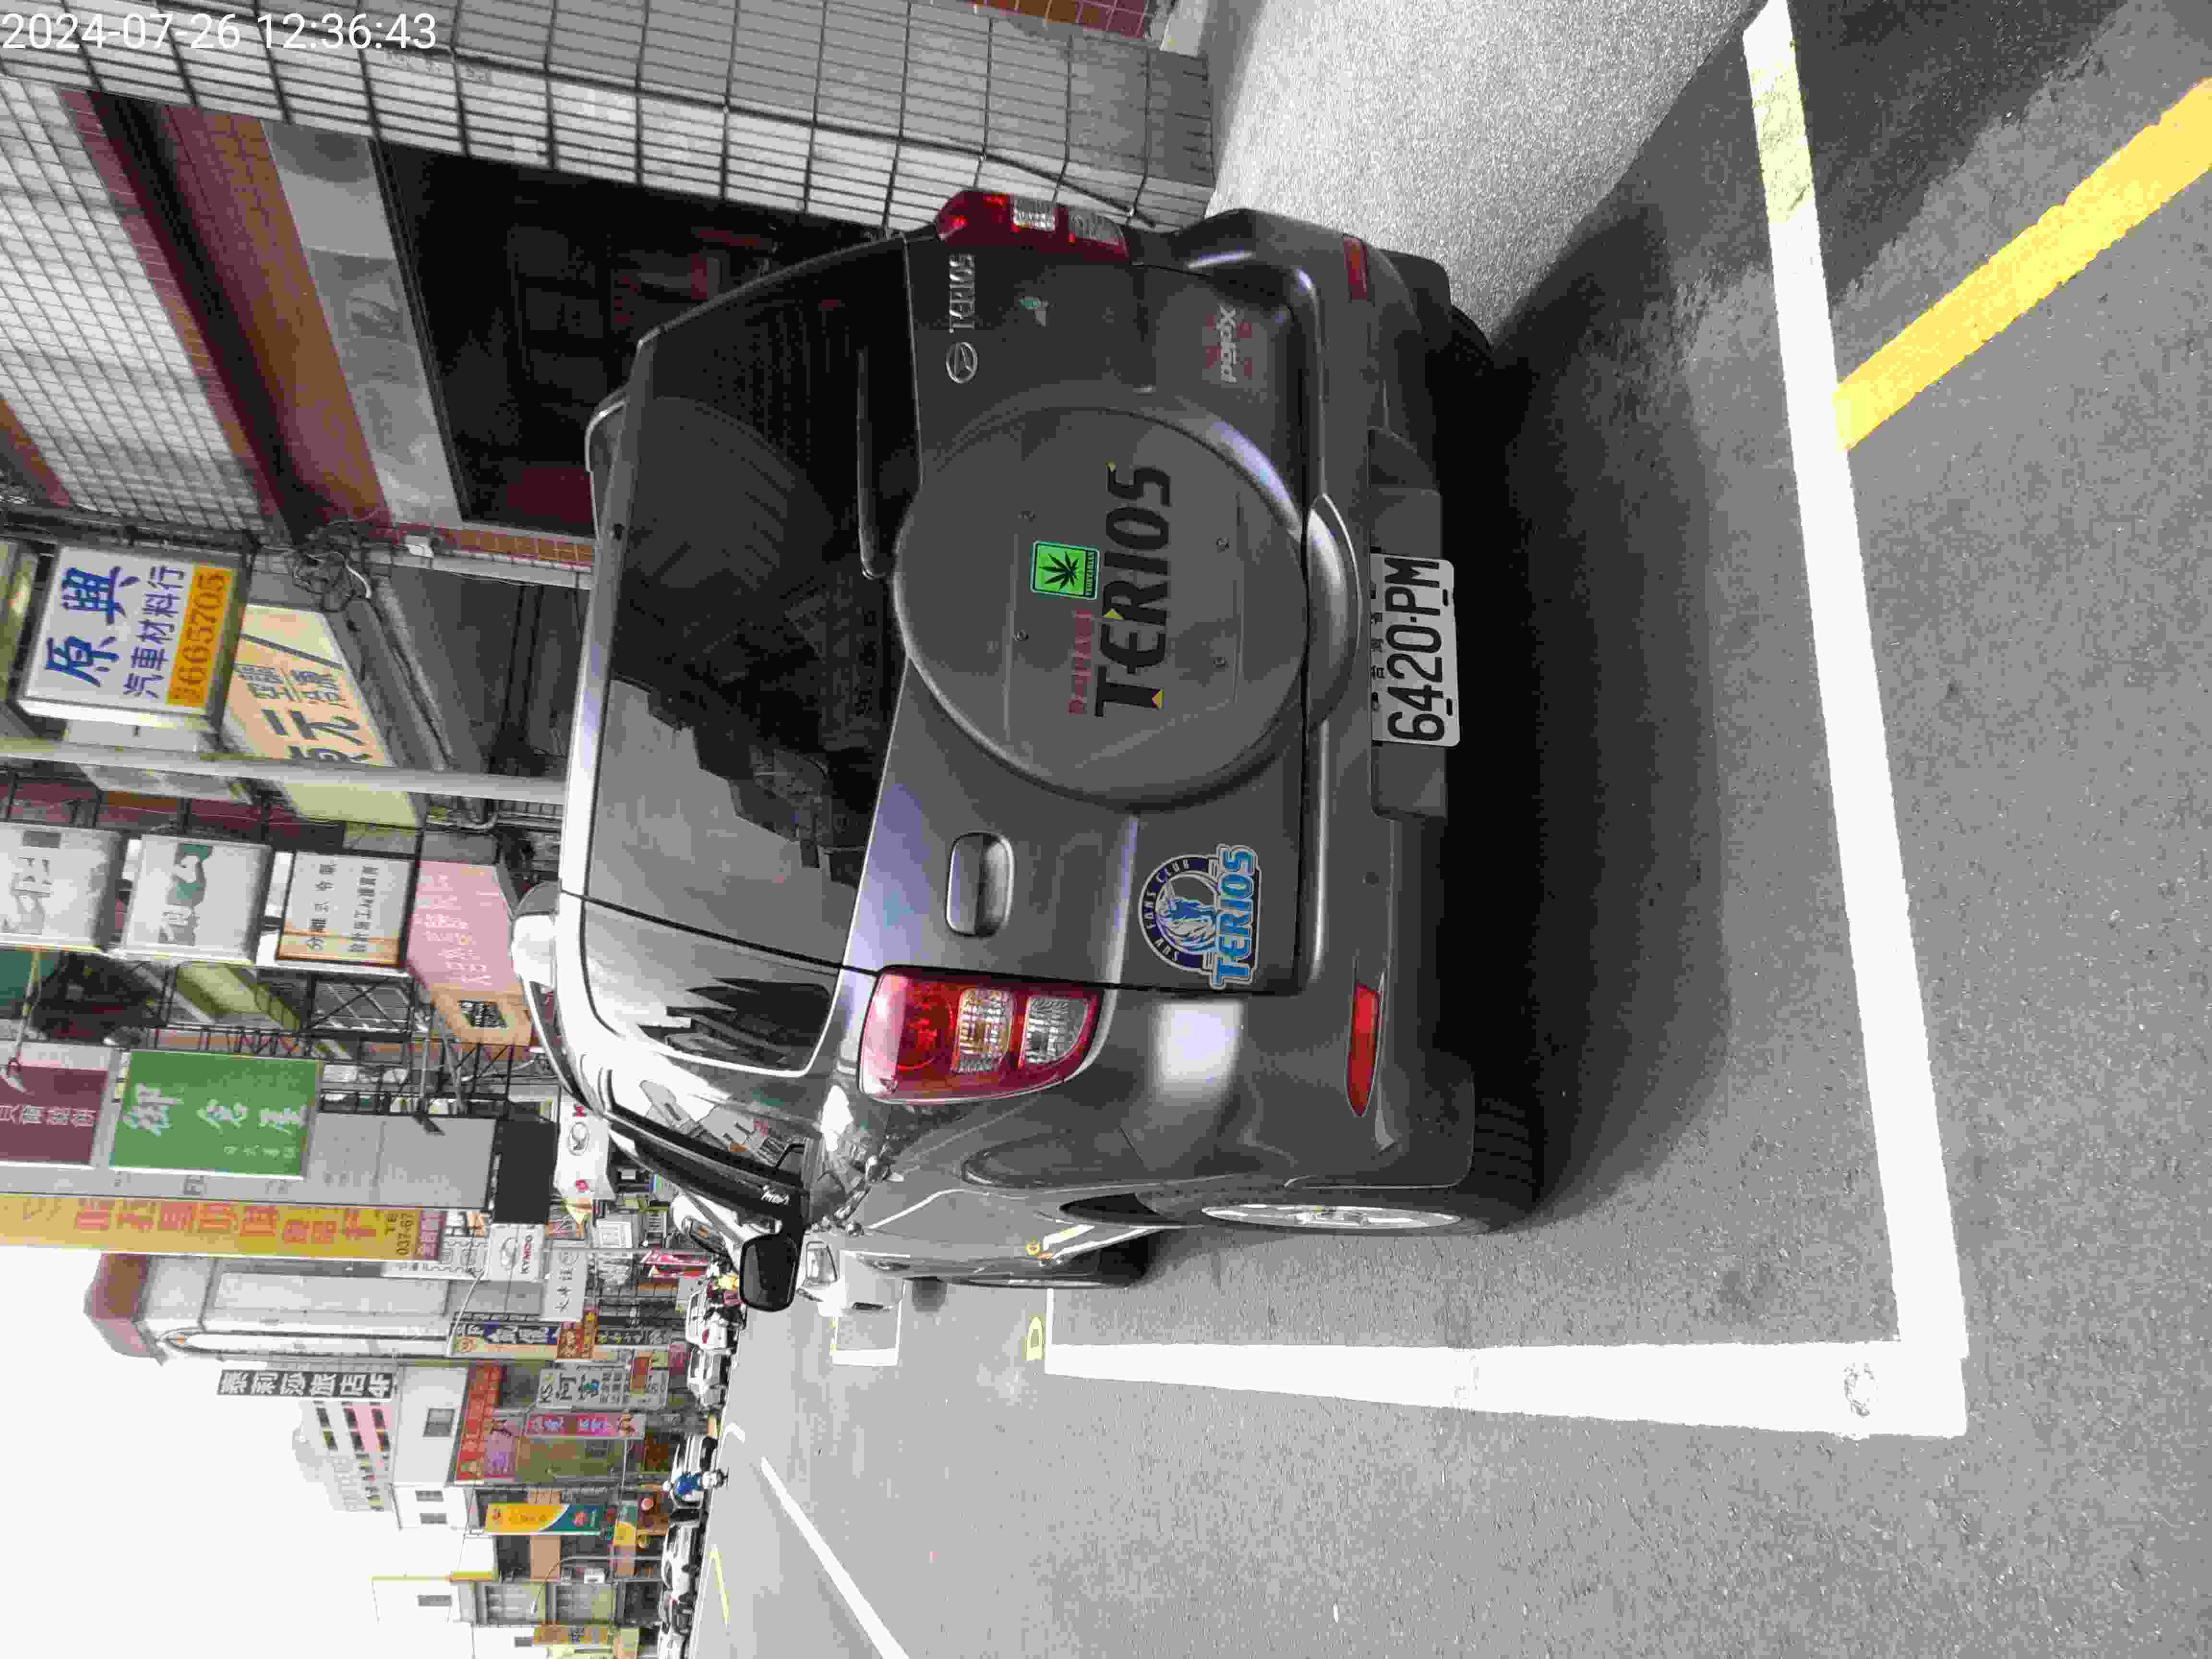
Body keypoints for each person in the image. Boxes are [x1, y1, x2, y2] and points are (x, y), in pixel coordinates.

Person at [665, 1467, 729, 1506]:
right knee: (707, 1473)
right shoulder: (677, 1480)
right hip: (697, 1478)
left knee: (707, 1487)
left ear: (669, 1490)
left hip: (698, 1486)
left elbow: (688, 1492)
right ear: (670, 1483)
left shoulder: (677, 1492)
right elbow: (686, 1475)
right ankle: (721, 1476)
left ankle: (719, 1483)